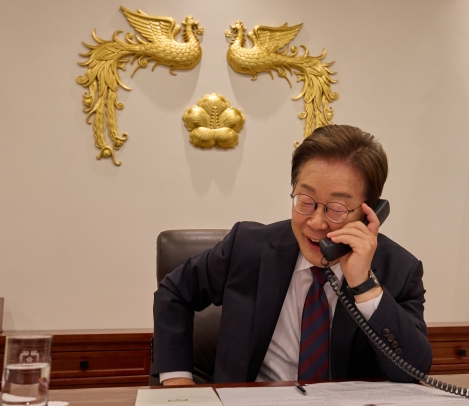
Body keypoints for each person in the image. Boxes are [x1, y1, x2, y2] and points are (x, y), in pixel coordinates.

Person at [152, 125, 432, 384]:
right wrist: (178, 382)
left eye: (336, 209)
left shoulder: (399, 270)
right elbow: (174, 292)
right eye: (305, 201)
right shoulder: (247, 247)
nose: (316, 222)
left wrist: (364, 285)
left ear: (370, 212)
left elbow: (413, 371)